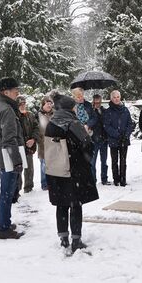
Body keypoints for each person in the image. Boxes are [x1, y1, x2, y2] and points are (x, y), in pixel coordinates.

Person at [45, 92, 99, 253]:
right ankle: (76, 239)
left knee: (61, 205)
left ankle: (63, 238)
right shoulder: (72, 123)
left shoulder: (51, 123)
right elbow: (87, 145)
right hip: (73, 170)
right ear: (70, 108)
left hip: (55, 170)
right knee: (75, 204)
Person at [0, 77, 25, 240]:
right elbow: (9, 139)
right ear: (5, 92)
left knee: (6, 193)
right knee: (6, 194)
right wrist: (16, 161)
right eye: (15, 90)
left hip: (0, 156)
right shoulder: (7, 109)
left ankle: (6, 223)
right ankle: (4, 228)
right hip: (7, 158)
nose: (18, 93)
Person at [103, 90, 135, 186]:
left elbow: (130, 124)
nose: (116, 99)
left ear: (120, 97)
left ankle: (123, 179)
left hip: (124, 140)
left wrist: (126, 135)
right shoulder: (108, 111)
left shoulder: (125, 110)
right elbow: (107, 126)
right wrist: (117, 134)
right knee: (114, 160)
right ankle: (116, 179)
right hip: (113, 140)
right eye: (114, 97)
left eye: (118, 97)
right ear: (111, 99)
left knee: (123, 160)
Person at [17, 96, 40, 194]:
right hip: (17, 146)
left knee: (29, 168)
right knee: (18, 169)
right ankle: (16, 189)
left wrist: (33, 139)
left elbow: (36, 128)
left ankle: (29, 187)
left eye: (24, 103)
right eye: (20, 104)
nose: (23, 106)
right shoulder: (13, 115)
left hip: (29, 146)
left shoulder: (30, 115)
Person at [87, 94, 109, 185]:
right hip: (94, 140)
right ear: (93, 102)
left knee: (104, 161)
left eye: (99, 102)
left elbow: (107, 123)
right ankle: (93, 179)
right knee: (93, 162)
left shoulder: (104, 111)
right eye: (96, 102)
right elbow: (89, 123)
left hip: (104, 139)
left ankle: (104, 179)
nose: (97, 104)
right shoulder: (90, 112)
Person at [37, 96, 54, 191]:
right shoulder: (38, 115)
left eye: (50, 103)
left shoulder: (54, 114)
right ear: (43, 105)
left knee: (53, 164)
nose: (49, 105)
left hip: (53, 143)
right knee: (43, 164)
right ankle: (44, 183)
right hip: (42, 143)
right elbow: (35, 128)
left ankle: (52, 182)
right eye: (47, 103)